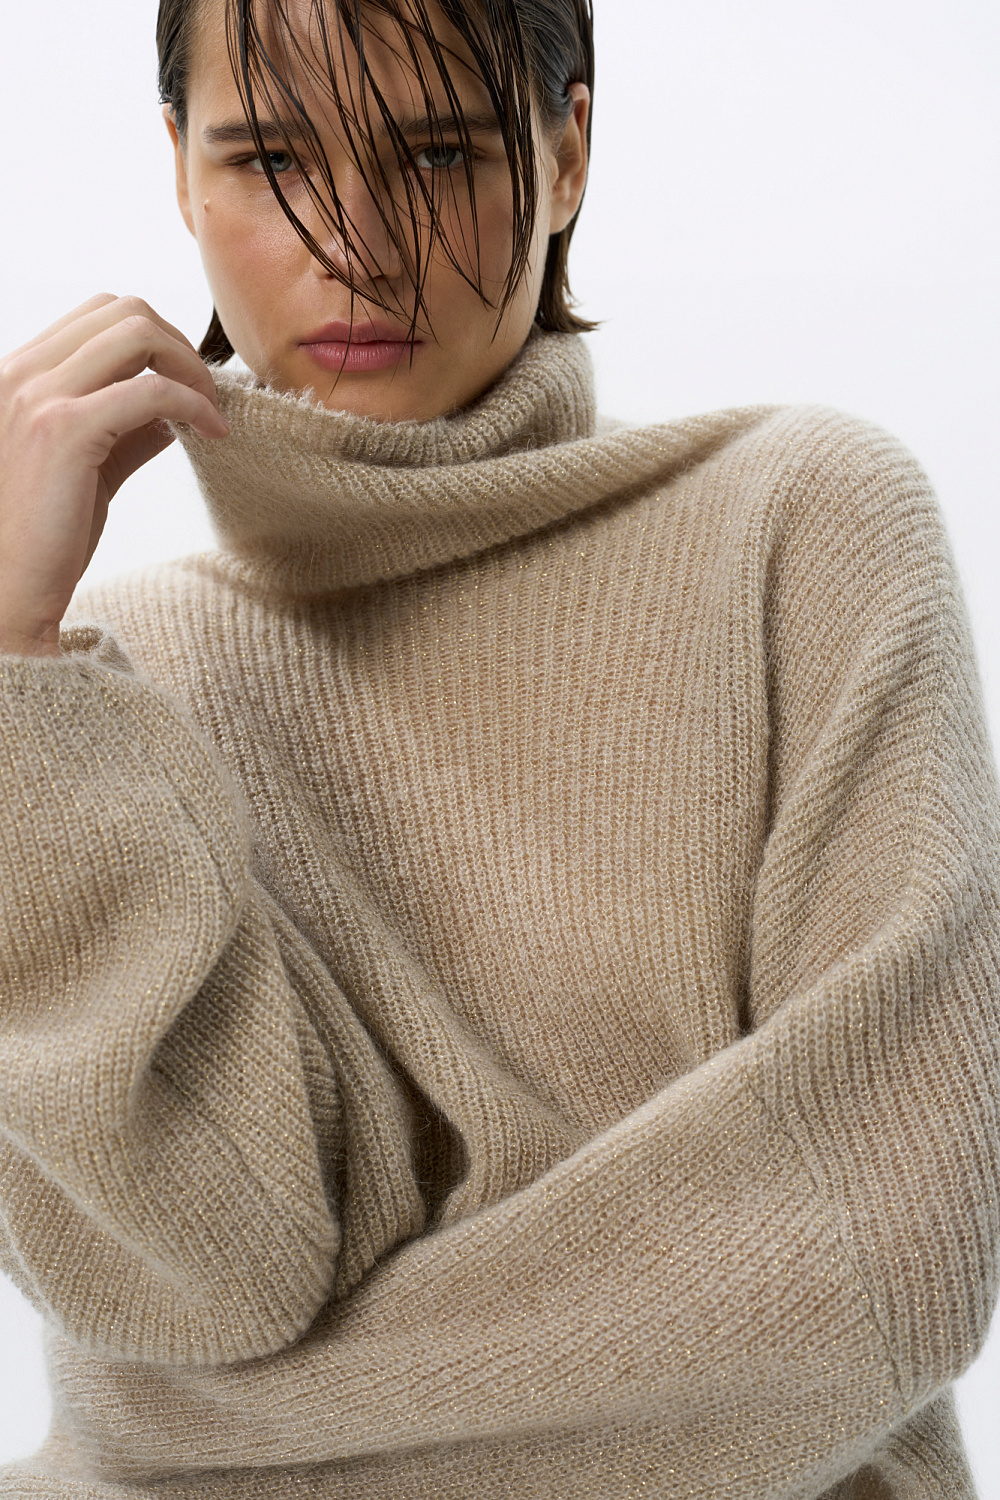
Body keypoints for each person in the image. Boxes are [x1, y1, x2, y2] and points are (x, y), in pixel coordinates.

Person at [0, 0, 997, 1495]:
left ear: (568, 149)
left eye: (435, 153)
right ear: (179, 169)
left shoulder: (804, 533)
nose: (356, 247)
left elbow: (887, 1262)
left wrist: (199, 1428)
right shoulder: (88, 702)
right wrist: (10, 668)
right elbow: (196, 1285)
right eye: (272, 158)